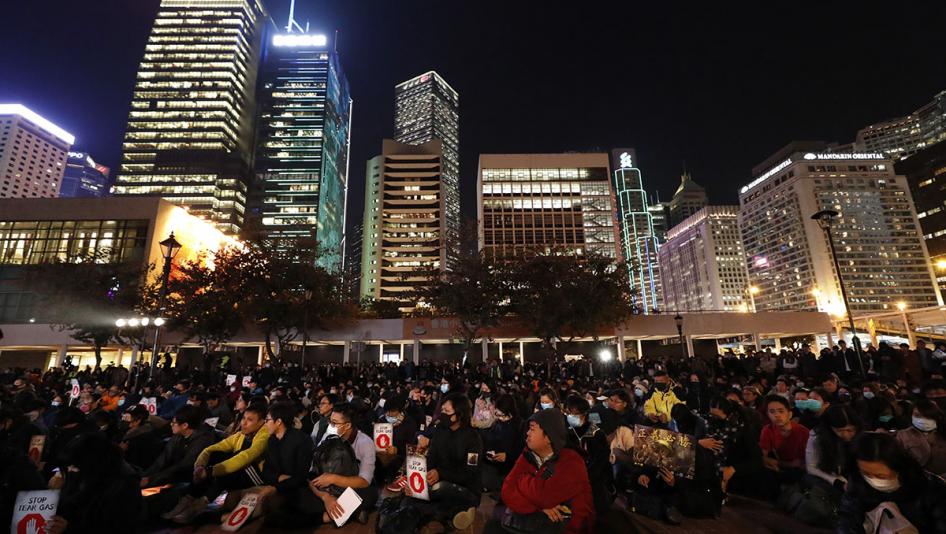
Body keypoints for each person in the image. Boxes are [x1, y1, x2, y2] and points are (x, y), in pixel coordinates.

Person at [164, 404, 270, 524]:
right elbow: (212, 449)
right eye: (243, 418)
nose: (244, 423)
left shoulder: (264, 434)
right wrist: (200, 466)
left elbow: (246, 457)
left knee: (233, 461)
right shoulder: (242, 434)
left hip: (257, 476)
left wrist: (210, 472)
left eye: (250, 420)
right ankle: (188, 499)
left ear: (262, 422)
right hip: (240, 475)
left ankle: (199, 505)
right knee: (215, 454)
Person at [496, 408, 595, 533]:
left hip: (570, 528)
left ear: (549, 437)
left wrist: (521, 480)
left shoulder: (571, 461)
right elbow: (507, 490)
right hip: (539, 522)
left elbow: (544, 496)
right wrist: (537, 508)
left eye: (532, 429)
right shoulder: (528, 454)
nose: (527, 433)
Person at [399, 392, 483, 531]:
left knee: (439, 488)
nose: (442, 413)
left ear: (459, 415)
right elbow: (432, 459)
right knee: (409, 498)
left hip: (465, 488)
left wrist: (440, 474)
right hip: (438, 481)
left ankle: (453, 511)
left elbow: (469, 474)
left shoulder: (473, 439)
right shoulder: (440, 431)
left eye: (447, 411)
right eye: (442, 410)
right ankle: (449, 514)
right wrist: (417, 481)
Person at [838, 432, 946, 534]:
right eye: (866, 473)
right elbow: (848, 516)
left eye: (880, 476)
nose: (872, 479)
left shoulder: (930, 488)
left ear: (897, 467)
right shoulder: (859, 482)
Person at [46, 431, 142, 533]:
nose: (70, 469)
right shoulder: (82, 476)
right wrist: (54, 495)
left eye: (75, 466)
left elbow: (116, 527)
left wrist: (69, 529)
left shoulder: (123, 487)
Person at [305, 402, 377, 526]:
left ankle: (326, 517)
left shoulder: (365, 443)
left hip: (350, 489)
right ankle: (350, 513)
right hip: (325, 489)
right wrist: (325, 497)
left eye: (334, 423)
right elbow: (312, 474)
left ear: (348, 425)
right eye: (330, 421)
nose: (330, 426)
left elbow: (364, 481)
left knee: (370, 494)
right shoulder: (328, 437)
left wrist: (333, 478)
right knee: (300, 493)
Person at [248, 402, 313, 526]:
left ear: (278, 421)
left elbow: (302, 475)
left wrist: (276, 487)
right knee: (232, 498)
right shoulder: (271, 440)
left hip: (294, 491)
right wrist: (278, 478)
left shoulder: (302, 440)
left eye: (267, 420)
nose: (265, 423)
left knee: (262, 507)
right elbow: (266, 470)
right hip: (274, 485)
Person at [141, 404, 216, 487]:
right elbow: (164, 457)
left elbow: (184, 465)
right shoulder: (179, 434)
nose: (171, 425)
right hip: (175, 472)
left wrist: (151, 479)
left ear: (185, 425)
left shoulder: (203, 439)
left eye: (174, 423)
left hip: (191, 478)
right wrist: (145, 476)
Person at [564, 394, 613, 514]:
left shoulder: (597, 434)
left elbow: (600, 463)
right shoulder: (567, 432)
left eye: (574, 414)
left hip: (592, 480)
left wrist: (585, 477)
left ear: (584, 414)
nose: (570, 417)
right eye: (568, 413)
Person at [758, 395, 809, 500]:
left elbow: (803, 463)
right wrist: (780, 463)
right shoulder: (768, 429)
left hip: (802, 469)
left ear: (789, 414)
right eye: (772, 412)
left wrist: (775, 462)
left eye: (781, 411)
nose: (777, 415)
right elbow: (762, 456)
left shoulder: (803, 432)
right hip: (781, 466)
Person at [480, 393, 524, 493]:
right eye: (497, 415)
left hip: (510, 467)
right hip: (494, 464)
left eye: (503, 416)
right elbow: (491, 440)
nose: (500, 418)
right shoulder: (497, 424)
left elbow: (521, 450)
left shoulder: (520, 426)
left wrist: (507, 457)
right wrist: (489, 453)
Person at [896, 399, 946, 476]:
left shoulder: (942, 431)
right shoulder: (902, 435)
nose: (923, 420)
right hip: (917, 478)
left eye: (928, 417)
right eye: (917, 415)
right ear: (911, 415)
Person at [119, 405, 164, 471]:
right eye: (123, 416)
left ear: (138, 421)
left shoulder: (145, 438)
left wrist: (120, 451)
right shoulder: (127, 433)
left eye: (127, 417)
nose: (123, 419)